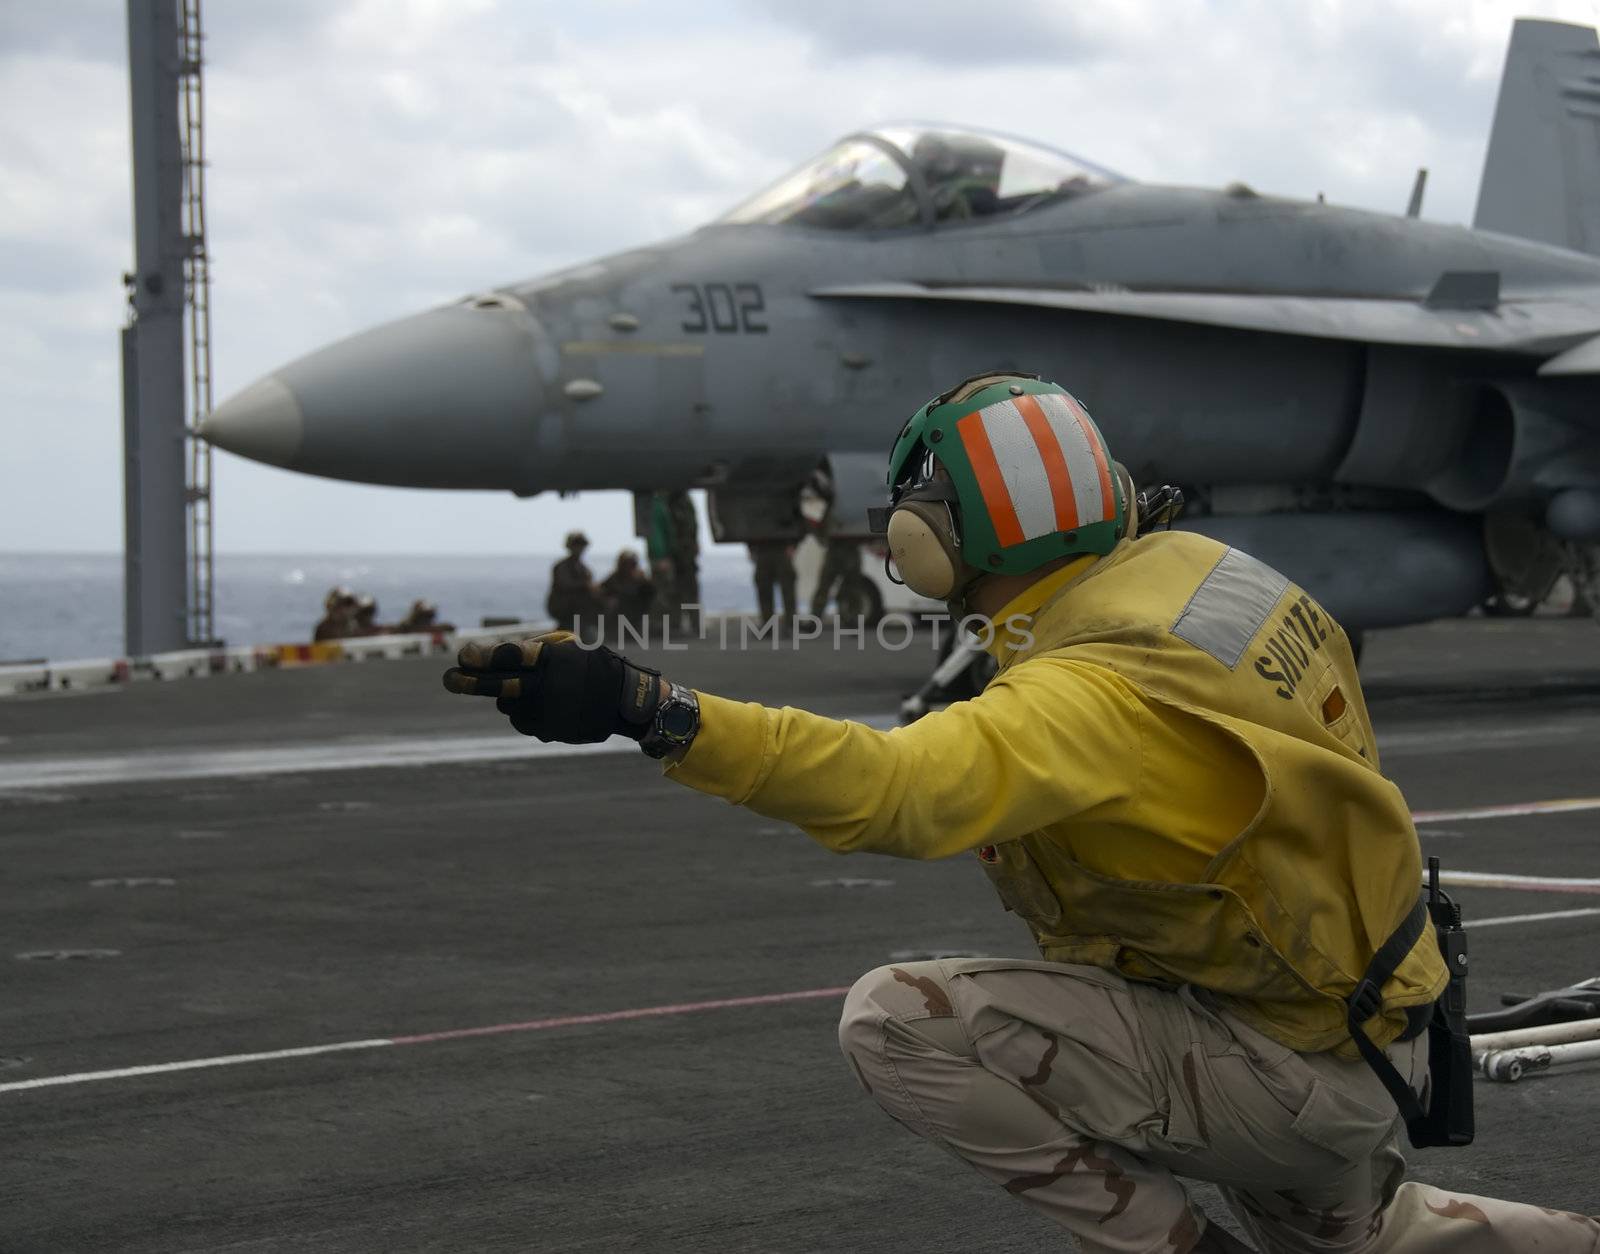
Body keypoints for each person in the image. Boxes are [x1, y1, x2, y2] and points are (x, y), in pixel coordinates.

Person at [443, 373, 1599, 1252]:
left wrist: (649, 708)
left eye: (920, 507)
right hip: (1353, 1023)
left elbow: (891, 790)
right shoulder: (1206, 574)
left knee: (898, 1019)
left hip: (1280, 1066)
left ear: (941, 537)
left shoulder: (1089, 689)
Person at [802, 462, 862, 619]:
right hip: (840, 547)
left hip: (845, 547)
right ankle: (844, 618)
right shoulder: (834, 498)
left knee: (848, 587)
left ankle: (849, 618)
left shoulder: (839, 499)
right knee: (832, 586)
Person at [546, 531, 602, 633]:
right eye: (576, 545)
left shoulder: (584, 569)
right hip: (564, 607)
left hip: (579, 612)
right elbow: (564, 585)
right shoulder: (561, 566)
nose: (579, 548)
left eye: (581, 545)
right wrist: (585, 586)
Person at [666, 489, 701, 634]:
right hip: (676, 553)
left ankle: (693, 624)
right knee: (675, 590)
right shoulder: (668, 502)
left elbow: (693, 526)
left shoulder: (685, 502)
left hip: (685, 553)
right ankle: (676, 624)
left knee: (689, 590)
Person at [599, 549, 656, 636]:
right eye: (626, 564)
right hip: (618, 616)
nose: (629, 567)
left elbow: (650, 594)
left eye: (632, 564)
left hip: (636, 614)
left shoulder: (641, 580)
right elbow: (602, 590)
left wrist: (643, 581)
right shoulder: (614, 578)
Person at [746, 538, 796, 626]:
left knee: (787, 588)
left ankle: (790, 623)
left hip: (779, 548)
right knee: (764, 588)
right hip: (765, 549)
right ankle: (769, 624)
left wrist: (793, 545)